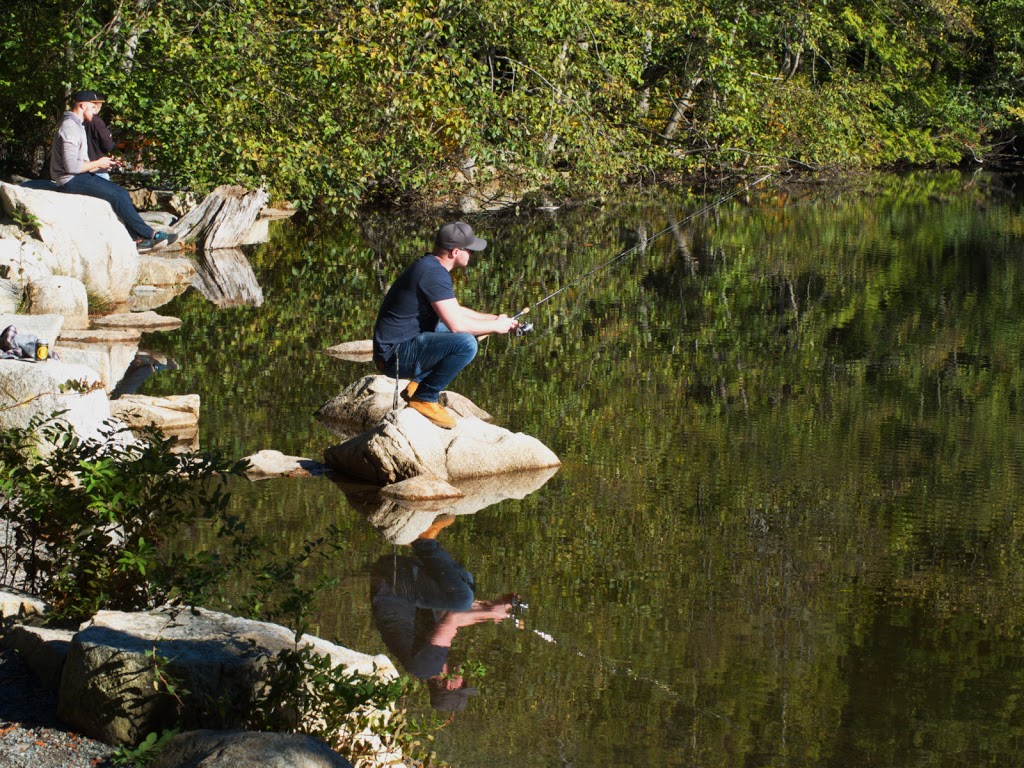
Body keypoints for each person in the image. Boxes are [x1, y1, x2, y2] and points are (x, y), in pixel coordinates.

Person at [372, 221, 519, 429]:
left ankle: (416, 385)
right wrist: (496, 327)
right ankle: (424, 397)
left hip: (400, 346)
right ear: (455, 252)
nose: (472, 254)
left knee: (470, 333)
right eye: (469, 250)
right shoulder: (433, 274)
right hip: (393, 356)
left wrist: (493, 320)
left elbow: (455, 311)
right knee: (466, 343)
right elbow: (457, 325)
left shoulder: (429, 266)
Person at [369, 516, 517, 714]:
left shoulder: (428, 666)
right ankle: (414, 539)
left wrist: (491, 612)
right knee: (466, 586)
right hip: (394, 580)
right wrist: (490, 610)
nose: (464, 678)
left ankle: (424, 542)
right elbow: (449, 621)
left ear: (449, 686)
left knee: (462, 598)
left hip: (394, 584)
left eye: (462, 684)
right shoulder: (426, 665)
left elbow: (453, 619)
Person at [48, 90, 175, 253]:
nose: (96, 111)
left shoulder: (77, 125)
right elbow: (72, 167)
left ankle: (138, 238)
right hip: (69, 180)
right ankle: (148, 235)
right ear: (83, 105)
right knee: (119, 195)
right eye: (93, 107)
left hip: (77, 176)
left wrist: (103, 165)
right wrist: (98, 162)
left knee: (119, 194)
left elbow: (80, 163)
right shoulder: (70, 127)